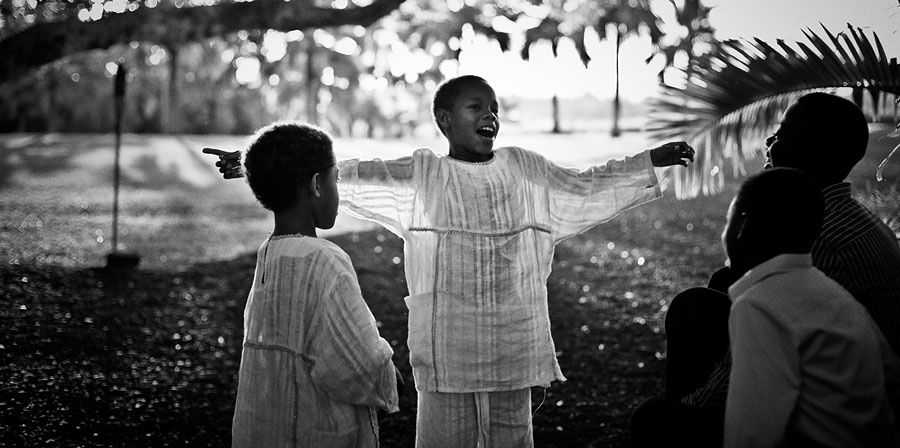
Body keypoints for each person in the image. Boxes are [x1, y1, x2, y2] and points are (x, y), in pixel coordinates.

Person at [206, 75, 695, 448]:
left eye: (495, 108)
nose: (491, 115)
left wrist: (647, 162)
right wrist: (255, 159)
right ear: (443, 119)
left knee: (512, 437)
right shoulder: (425, 173)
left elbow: (583, 185)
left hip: (512, 338)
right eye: (476, 106)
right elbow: (345, 174)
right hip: (447, 346)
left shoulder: (522, 166)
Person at [630, 92, 900, 446]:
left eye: (782, 134)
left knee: (655, 419)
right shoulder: (843, 217)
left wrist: (685, 413)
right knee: (717, 288)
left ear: (814, 151)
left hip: (837, 420)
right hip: (849, 390)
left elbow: (762, 348)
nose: (770, 142)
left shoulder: (820, 241)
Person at [228, 121, 400, 448]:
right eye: (336, 178)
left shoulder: (271, 252)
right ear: (317, 184)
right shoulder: (324, 259)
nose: (337, 189)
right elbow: (356, 365)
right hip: (315, 430)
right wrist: (389, 376)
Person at [723, 168, 899, 447]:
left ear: (742, 227)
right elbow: (889, 371)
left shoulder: (758, 306)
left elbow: (750, 435)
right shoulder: (832, 292)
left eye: (727, 221)